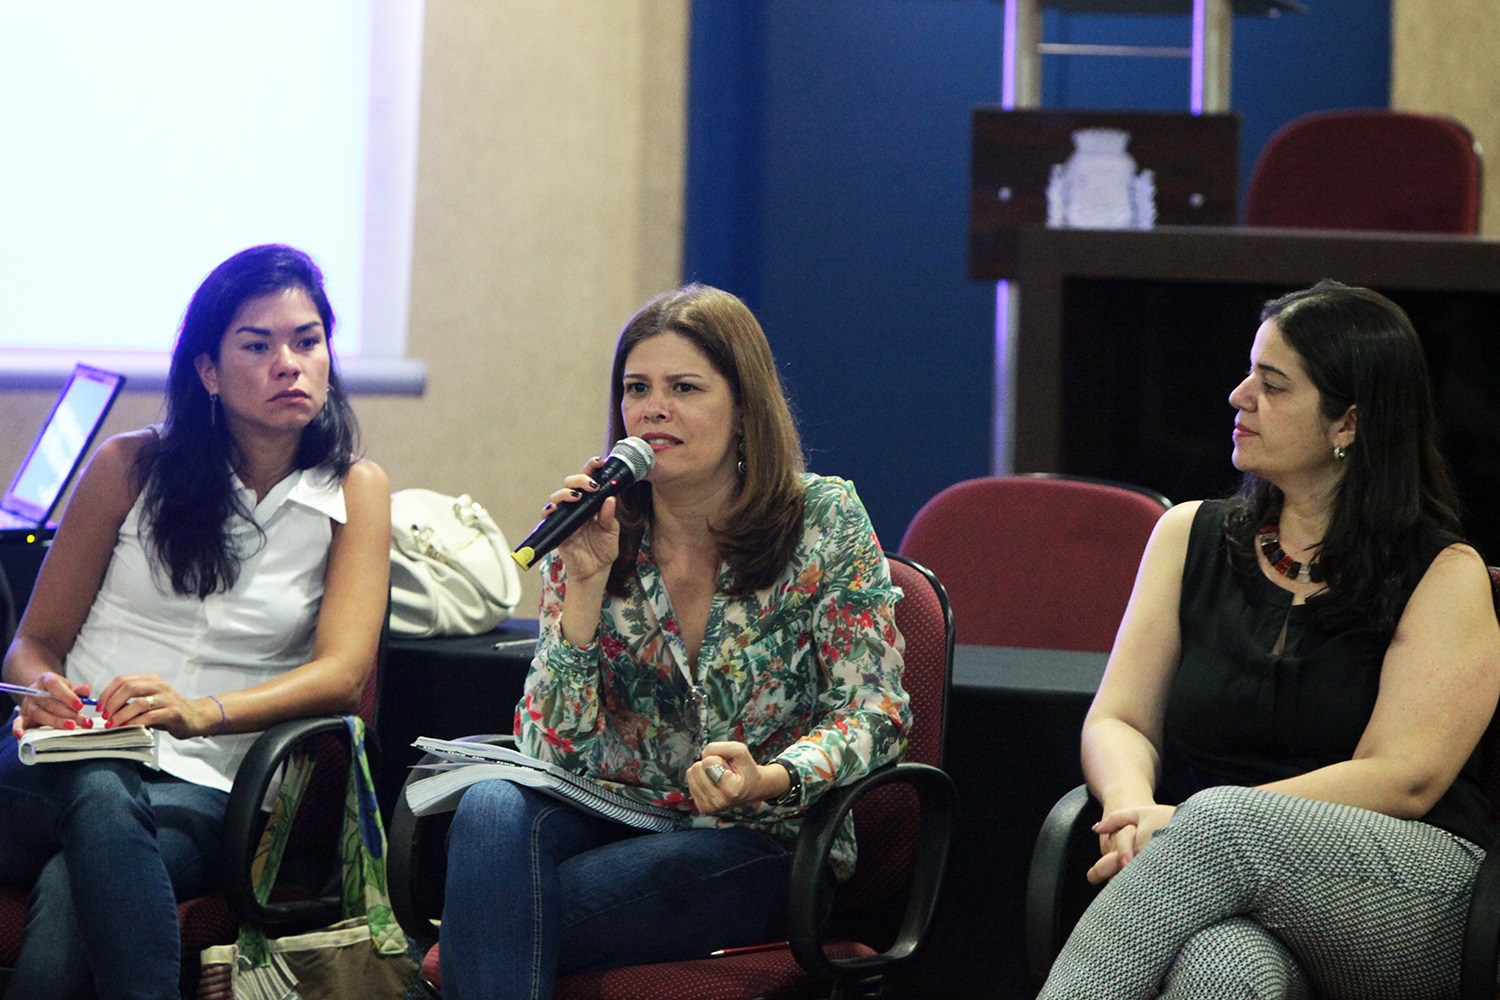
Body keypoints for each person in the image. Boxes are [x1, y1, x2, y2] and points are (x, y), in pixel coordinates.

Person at [438, 283, 912, 999]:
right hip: (615, 817)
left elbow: (877, 712)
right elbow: (550, 755)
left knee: (496, 912)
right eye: (637, 388)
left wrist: (769, 776)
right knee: (492, 807)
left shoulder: (823, 517)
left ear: (744, 409)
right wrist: (586, 590)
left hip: (763, 839)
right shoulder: (595, 527)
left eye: (684, 387)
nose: (652, 409)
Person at [1039, 280, 1500, 998]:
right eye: (1250, 370)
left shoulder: (1444, 574)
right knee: (1222, 972)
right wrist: (1131, 809)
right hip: (1210, 871)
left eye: (1273, 384)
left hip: (1406, 888)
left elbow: (1405, 777)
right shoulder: (1185, 535)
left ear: (1346, 423)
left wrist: (1189, 824)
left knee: (1222, 822)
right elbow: (1121, 719)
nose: (1238, 396)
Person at [0, 245, 391, 1000]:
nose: (290, 363)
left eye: (307, 341)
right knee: (103, 783)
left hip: (207, 786)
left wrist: (199, 714)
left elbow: (343, 675)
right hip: (50, 765)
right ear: (208, 371)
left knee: (75, 887)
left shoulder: (354, 490)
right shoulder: (128, 467)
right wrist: (42, 687)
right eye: (258, 345)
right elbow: (32, 642)